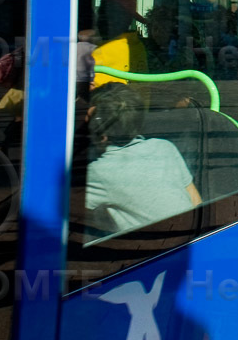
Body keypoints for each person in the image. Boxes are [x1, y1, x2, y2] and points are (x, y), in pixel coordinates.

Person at [83, 83, 201, 240]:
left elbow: (60, 209)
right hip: (194, 239)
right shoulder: (164, 147)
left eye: (89, 118)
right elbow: (196, 202)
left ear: (102, 135)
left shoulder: (97, 172)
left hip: (155, 254)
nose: (83, 119)